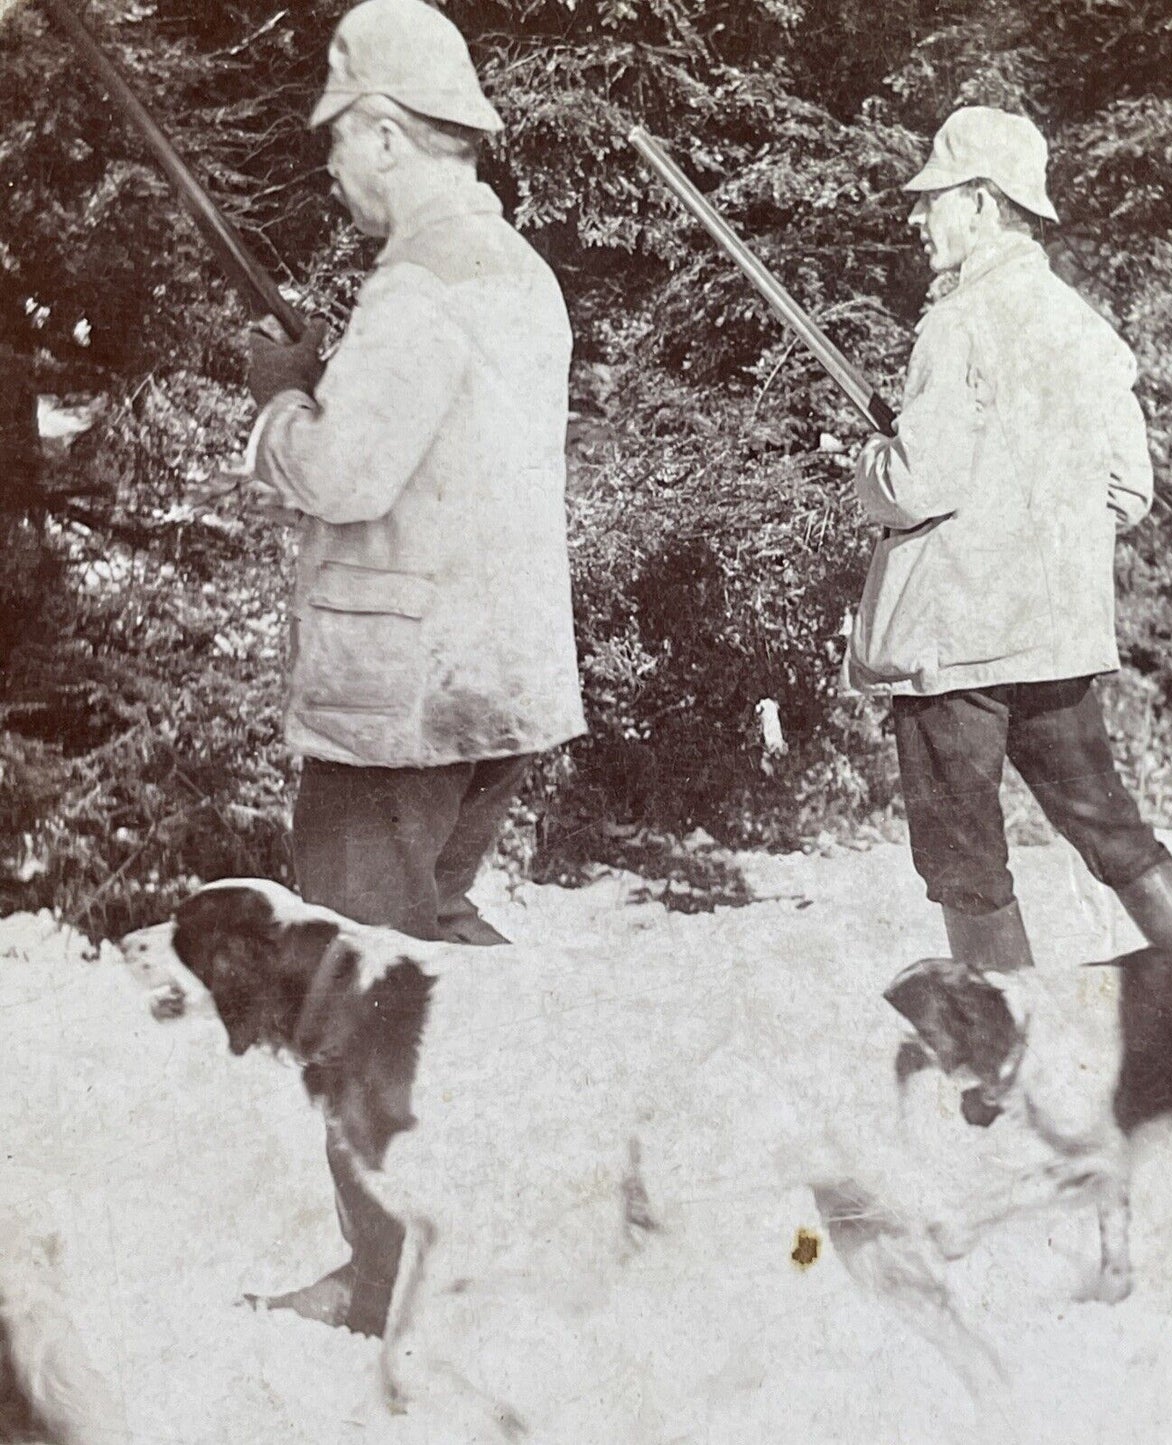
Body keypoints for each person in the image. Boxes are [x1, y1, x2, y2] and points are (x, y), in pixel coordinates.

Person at [239, 0, 584, 1332]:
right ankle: (489, 1220)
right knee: (439, 963)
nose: (333, 170)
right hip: (499, 690)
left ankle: (383, 1282)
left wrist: (280, 395)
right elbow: (439, 462)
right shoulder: (518, 274)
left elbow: (344, 471)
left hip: (394, 709)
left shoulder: (417, 282)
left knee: (353, 991)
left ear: (386, 131)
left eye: (339, 141)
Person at [847, 106, 1172, 991]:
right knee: (1109, 825)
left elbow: (915, 484)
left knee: (963, 857)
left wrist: (865, 462)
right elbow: (1129, 490)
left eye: (932, 197)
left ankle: (1000, 1056)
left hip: (956, 647)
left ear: (979, 202)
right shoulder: (1084, 328)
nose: (916, 216)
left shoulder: (958, 322)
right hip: (1056, 638)